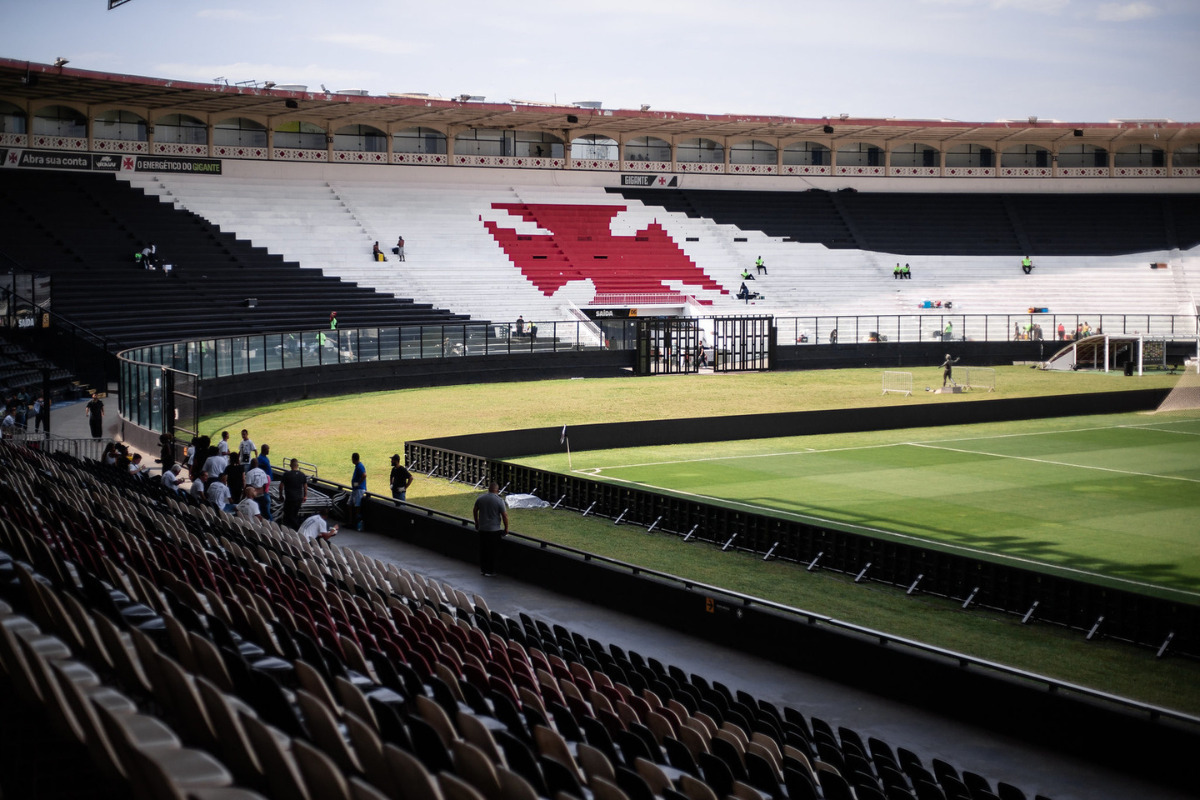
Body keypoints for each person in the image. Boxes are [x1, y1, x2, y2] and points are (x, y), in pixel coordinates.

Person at [472, 482, 509, 576]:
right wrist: (506, 528)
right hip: (494, 530)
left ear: (489, 489)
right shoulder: (499, 500)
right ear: (497, 490)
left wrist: (476, 522)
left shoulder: (481, 498)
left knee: (483, 550)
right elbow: (504, 515)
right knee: (493, 551)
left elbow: (475, 510)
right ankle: (491, 571)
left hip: (482, 528)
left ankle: (483, 569)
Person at [281, 458, 308, 530]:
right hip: (299, 499)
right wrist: (305, 496)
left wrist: (280, 495)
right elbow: (305, 487)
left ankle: (293, 529)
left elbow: (281, 486)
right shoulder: (302, 475)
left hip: (289, 499)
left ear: (290, 465)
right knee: (294, 514)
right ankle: (295, 530)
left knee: (288, 515)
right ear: (298, 465)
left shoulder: (286, 474)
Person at [349, 452, 366, 531]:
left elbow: (364, 475)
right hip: (356, 489)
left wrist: (358, 483)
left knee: (357, 507)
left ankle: (356, 524)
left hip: (359, 490)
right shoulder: (358, 466)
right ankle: (352, 523)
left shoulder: (360, 466)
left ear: (353, 459)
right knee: (351, 505)